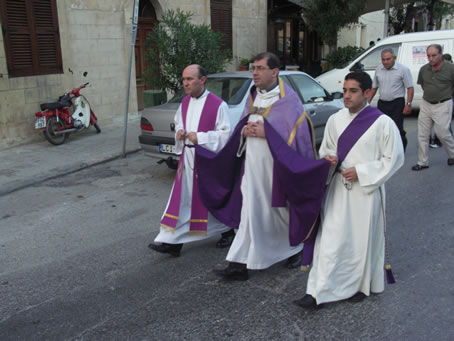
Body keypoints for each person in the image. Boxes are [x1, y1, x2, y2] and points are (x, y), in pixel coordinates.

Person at [195, 52, 329, 281]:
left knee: (277, 214)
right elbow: (244, 124)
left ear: (274, 72)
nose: (254, 73)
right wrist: (243, 133)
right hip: (252, 167)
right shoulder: (253, 96)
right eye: (252, 68)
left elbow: (298, 137)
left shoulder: (289, 101)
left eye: (259, 68)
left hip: (276, 171)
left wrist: (268, 133)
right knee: (249, 213)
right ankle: (238, 264)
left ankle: (292, 249)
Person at [294, 71, 404, 309]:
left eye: (353, 91)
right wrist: (329, 160)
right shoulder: (335, 119)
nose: (346, 96)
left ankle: (358, 286)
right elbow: (325, 150)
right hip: (337, 189)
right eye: (344, 90)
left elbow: (393, 158)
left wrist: (362, 172)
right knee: (329, 240)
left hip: (365, 193)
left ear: (367, 93)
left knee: (358, 243)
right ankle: (317, 291)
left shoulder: (382, 122)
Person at [148, 64, 234, 257]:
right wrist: (179, 133)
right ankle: (172, 242)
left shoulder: (218, 105)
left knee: (206, 198)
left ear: (202, 80)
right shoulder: (184, 103)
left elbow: (225, 135)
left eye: (189, 79)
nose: (185, 83)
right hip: (187, 159)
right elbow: (180, 123)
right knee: (182, 200)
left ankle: (227, 230)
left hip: (206, 160)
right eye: (184, 79)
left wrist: (200, 138)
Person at [412, 44, 454, 171]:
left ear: (441, 54)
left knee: (443, 133)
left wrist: (445, 96)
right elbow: (424, 85)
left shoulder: (451, 69)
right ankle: (422, 162)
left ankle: (452, 154)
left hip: (443, 104)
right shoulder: (424, 69)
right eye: (428, 56)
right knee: (422, 135)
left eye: (434, 55)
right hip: (426, 104)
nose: (431, 59)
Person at [368, 48, 414, 151]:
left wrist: (408, 104)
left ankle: (401, 149)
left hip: (397, 103)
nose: (385, 62)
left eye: (388, 59)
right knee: (382, 128)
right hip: (382, 103)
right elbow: (374, 88)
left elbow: (410, 88)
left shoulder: (403, 70)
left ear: (394, 58)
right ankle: (386, 150)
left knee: (397, 128)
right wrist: (366, 103)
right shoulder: (379, 69)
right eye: (383, 59)